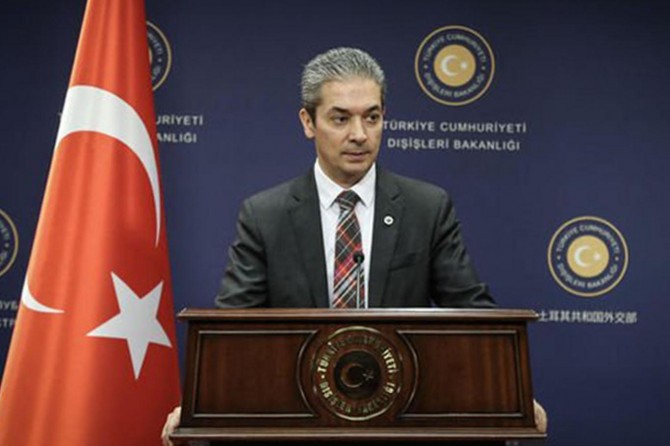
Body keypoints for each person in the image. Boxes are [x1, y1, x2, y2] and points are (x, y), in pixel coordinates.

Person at [162, 47, 545, 445]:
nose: (359, 134)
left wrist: (509, 392)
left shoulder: (426, 208)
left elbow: (472, 316)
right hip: (298, 429)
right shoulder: (265, 215)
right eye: (341, 118)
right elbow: (232, 333)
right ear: (308, 122)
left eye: (372, 117)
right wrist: (197, 404)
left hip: (397, 428)